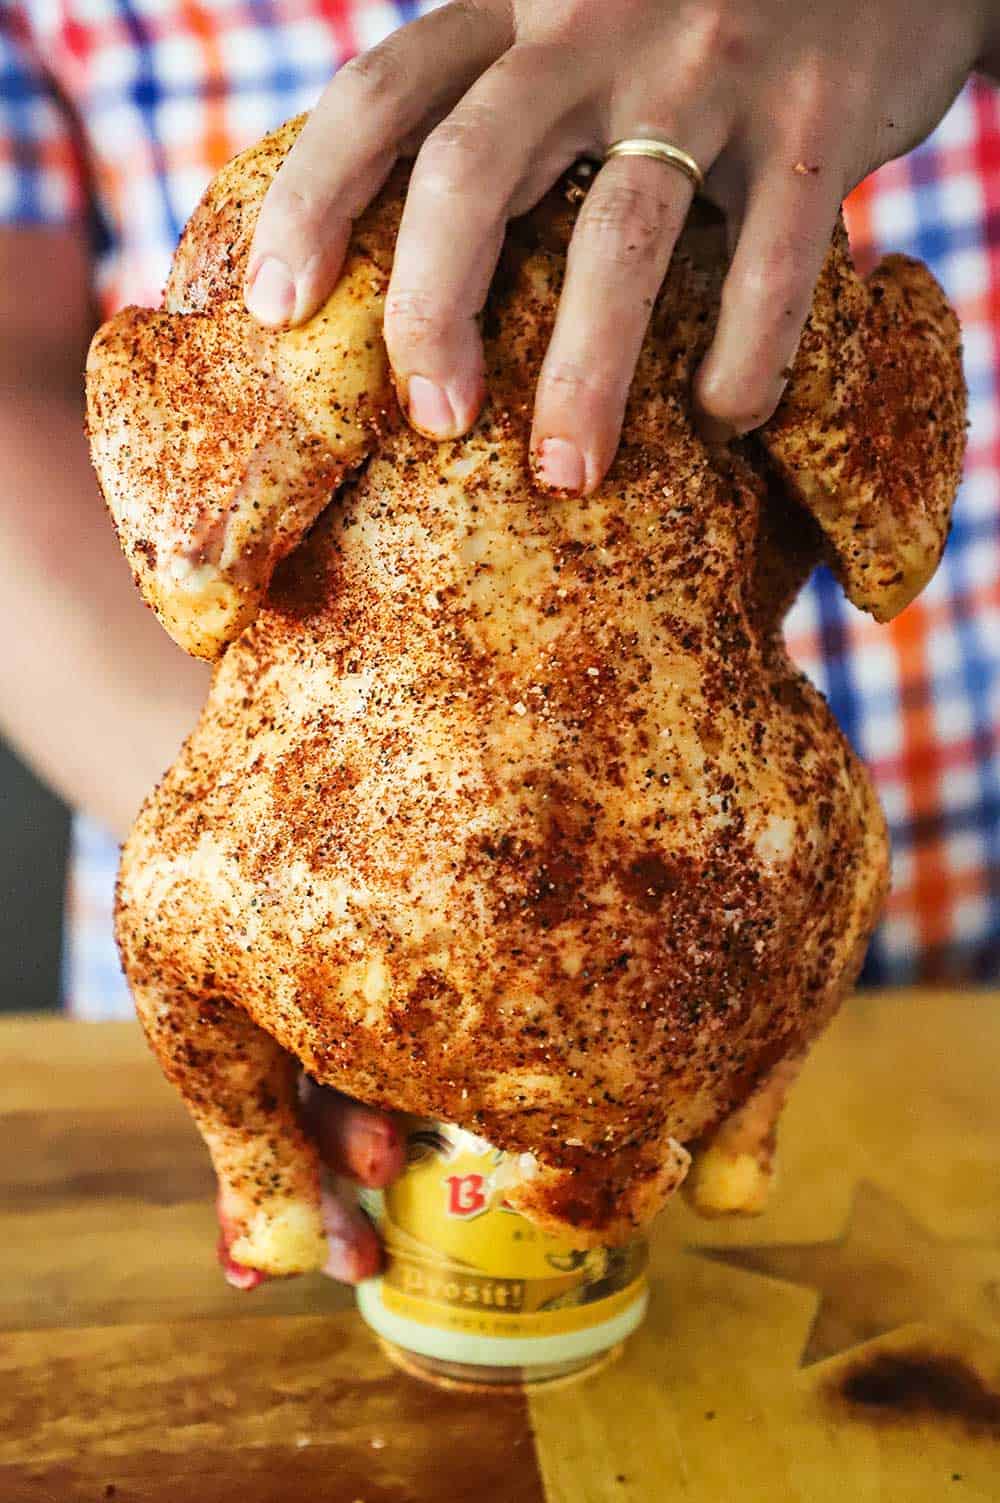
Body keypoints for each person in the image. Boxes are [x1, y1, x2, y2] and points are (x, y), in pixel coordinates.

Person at [2, 1, 998, 1283]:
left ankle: (306, 1170)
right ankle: (280, 1161)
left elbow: (194, 535)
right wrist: (363, 913)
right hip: (328, 860)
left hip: (904, 973)